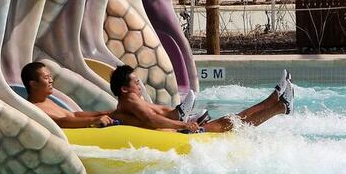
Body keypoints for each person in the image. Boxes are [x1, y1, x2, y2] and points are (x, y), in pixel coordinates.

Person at [109, 64, 294, 133]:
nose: (140, 85)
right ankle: (279, 107)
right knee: (232, 121)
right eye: (136, 83)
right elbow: (150, 119)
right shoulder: (130, 101)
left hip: (176, 128)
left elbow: (152, 115)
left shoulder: (130, 102)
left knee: (233, 119)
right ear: (124, 89)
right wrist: (183, 124)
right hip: (178, 132)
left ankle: (274, 101)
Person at [21, 62, 116, 128]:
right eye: (46, 78)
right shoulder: (33, 108)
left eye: (50, 76)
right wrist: (93, 120)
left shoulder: (46, 101)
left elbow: (73, 115)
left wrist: (104, 113)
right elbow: (61, 122)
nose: (51, 80)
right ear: (33, 84)